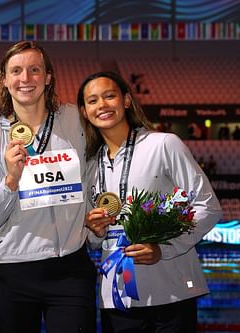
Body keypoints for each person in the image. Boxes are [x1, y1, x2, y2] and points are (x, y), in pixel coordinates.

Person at [77, 71, 222, 333]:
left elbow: (207, 206)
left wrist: (163, 248)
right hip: (118, 296)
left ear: (127, 101)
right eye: (93, 100)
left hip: (171, 288)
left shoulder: (164, 144)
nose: (102, 105)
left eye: (109, 96)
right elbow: (96, 241)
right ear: (84, 112)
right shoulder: (90, 165)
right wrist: (95, 230)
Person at [0, 41, 97, 333]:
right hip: (13, 272)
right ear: (4, 79)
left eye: (34, 70)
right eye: (16, 71)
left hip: (70, 267)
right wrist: (11, 180)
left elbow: (97, 171)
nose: (25, 78)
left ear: (48, 77)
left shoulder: (75, 119)